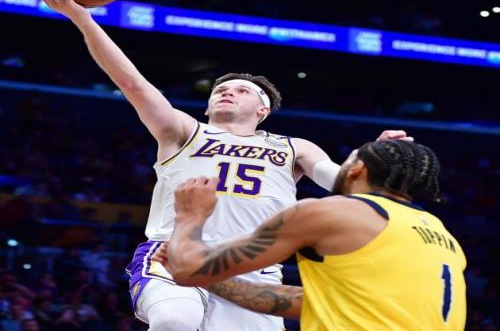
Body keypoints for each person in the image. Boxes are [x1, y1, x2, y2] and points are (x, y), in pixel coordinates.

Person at [34, 0, 413, 331]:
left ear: (263, 110)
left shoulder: (294, 146)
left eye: (241, 91)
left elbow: (340, 182)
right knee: (174, 320)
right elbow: (132, 83)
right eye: (220, 90)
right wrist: (84, 20)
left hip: (253, 268)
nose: (227, 92)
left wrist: (370, 157)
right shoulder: (183, 131)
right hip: (173, 252)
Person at [157, 140, 467, 331]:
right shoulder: (438, 231)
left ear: (356, 168)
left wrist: (190, 216)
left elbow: (188, 268)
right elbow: (319, 303)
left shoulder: (330, 212)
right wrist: (210, 281)